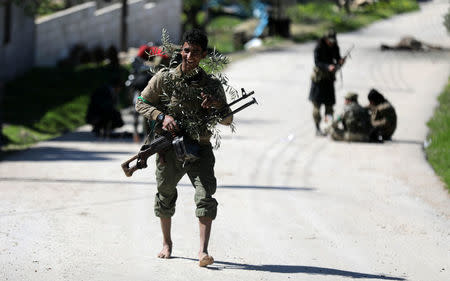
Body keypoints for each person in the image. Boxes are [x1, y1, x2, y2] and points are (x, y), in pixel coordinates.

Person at [135, 29, 233, 267]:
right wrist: (161, 117)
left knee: (205, 196)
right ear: (181, 50)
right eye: (186, 50)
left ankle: (203, 252)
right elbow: (141, 103)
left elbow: (228, 120)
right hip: (169, 149)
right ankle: (167, 243)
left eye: (195, 52)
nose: (189, 56)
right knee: (165, 194)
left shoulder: (211, 85)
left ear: (204, 55)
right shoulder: (164, 78)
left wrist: (216, 105)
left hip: (199, 147)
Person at [309, 29, 346, 136]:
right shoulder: (319, 47)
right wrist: (327, 66)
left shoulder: (335, 47)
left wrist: (340, 62)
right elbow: (317, 62)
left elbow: (337, 60)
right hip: (318, 80)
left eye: (333, 41)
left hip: (329, 80)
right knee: (317, 106)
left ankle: (327, 126)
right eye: (329, 40)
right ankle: (317, 128)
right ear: (325, 39)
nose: (331, 42)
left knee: (329, 107)